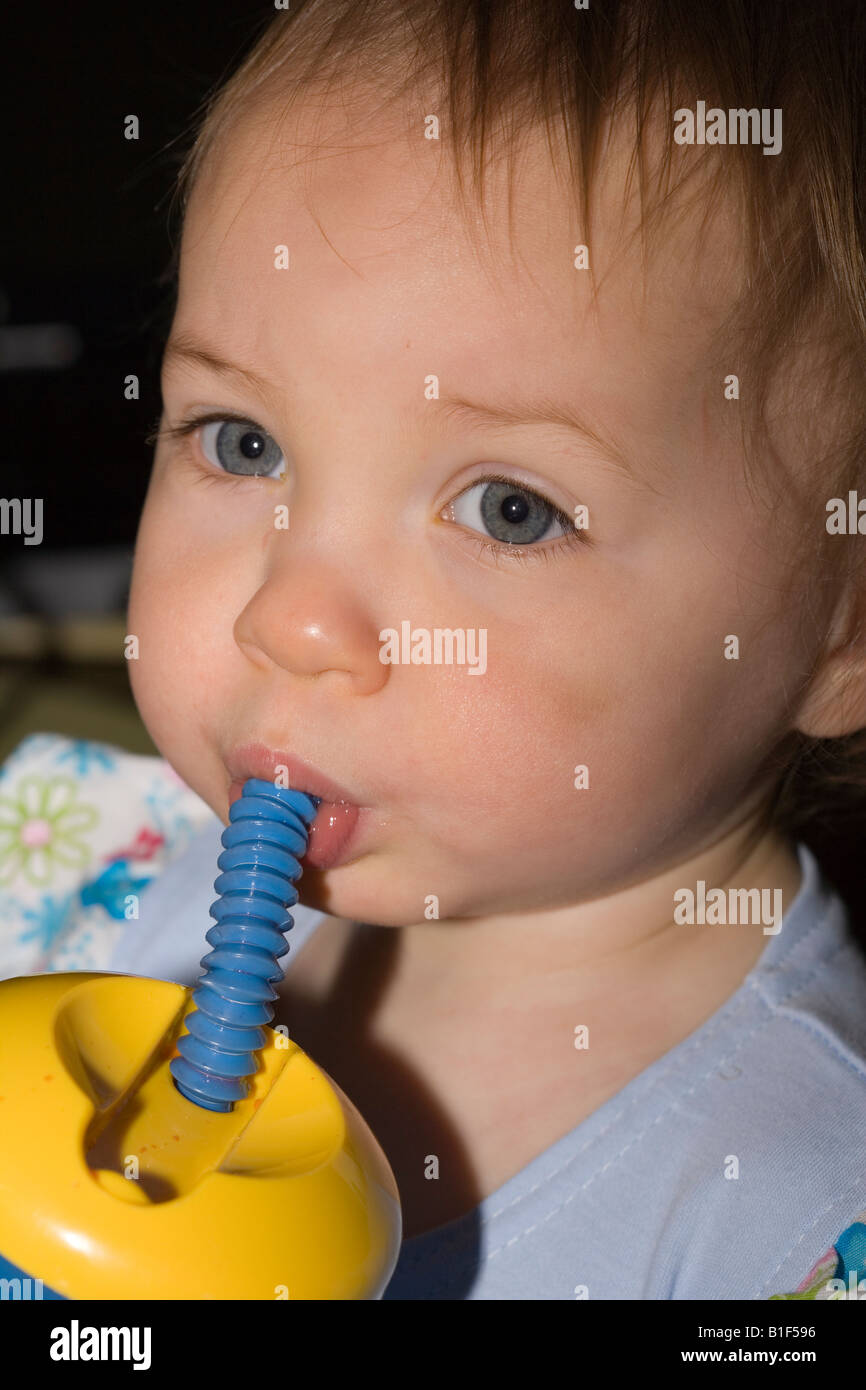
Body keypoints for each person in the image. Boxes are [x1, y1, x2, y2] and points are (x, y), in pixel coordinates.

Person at [2, 0, 865, 1299]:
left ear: (842, 627)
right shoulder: (67, 877)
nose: (286, 617)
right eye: (242, 441)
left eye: (508, 510)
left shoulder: (786, 1215)